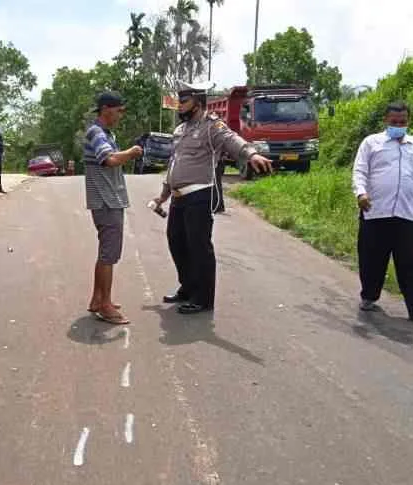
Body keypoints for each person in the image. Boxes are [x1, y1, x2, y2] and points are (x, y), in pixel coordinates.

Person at [151, 81, 273, 314]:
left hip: (199, 195)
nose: (179, 106)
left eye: (184, 101)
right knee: (176, 243)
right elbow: (173, 166)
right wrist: (162, 196)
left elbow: (232, 140)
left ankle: (203, 298)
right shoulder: (180, 130)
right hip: (178, 197)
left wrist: (252, 154)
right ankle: (187, 287)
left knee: (199, 247)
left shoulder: (212, 126)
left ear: (197, 102)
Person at [352, 101, 413, 321]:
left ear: (408, 121)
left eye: (403, 122)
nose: (399, 125)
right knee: (372, 258)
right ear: (386, 121)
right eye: (394, 121)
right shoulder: (372, 143)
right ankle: (369, 296)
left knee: (411, 262)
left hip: (407, 214)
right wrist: (361, 193)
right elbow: (360, 171)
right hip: (375, 211)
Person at [84, 92, 143, 324]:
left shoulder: (105, 133)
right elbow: (108, 159)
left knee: (105, 253)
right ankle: (105, 306)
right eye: (119, 110)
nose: (121, 114)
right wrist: (131, 152)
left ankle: (97, 299)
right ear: (106, 109)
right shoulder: (97, 132)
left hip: (107, 200)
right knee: (109, 254)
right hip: (106, 201)